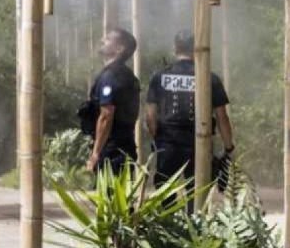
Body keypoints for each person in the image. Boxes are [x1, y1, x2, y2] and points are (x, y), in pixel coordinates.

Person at [145, 30, 235, 199]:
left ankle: (167, 225)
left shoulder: (159, 76)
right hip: (199, 142)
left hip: (168, 142)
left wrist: (157, 137)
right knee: (197, 193)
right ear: (195, 49)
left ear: (175, 48)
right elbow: (222, 116)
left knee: (164, 193)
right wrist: (229, 147)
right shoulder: (209, 77)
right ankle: (194, 224)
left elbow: (150, 115)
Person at [82, 28, 141, 174]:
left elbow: (106, 115)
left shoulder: (111, 76)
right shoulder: (127, 75)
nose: (102, 40)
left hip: (111, 149)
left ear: (119, 49)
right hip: (125, 145)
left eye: (108, 39)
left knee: (108, 193)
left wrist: (96, 153)